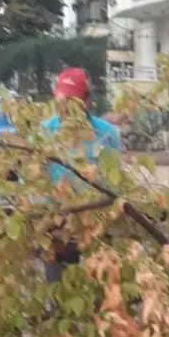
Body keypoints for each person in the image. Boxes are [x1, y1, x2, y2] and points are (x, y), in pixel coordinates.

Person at [43, 67, 121, 284]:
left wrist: (102, 222)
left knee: (99, 297)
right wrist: (48, 224)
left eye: (72, 102)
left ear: (87, 102)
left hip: (96, 231)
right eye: (61, 102)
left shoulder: (106, 135)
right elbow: (30, 182)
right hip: (57, 230)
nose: (66, 109)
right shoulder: (44, 132)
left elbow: (114, 184)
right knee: (58, 297)